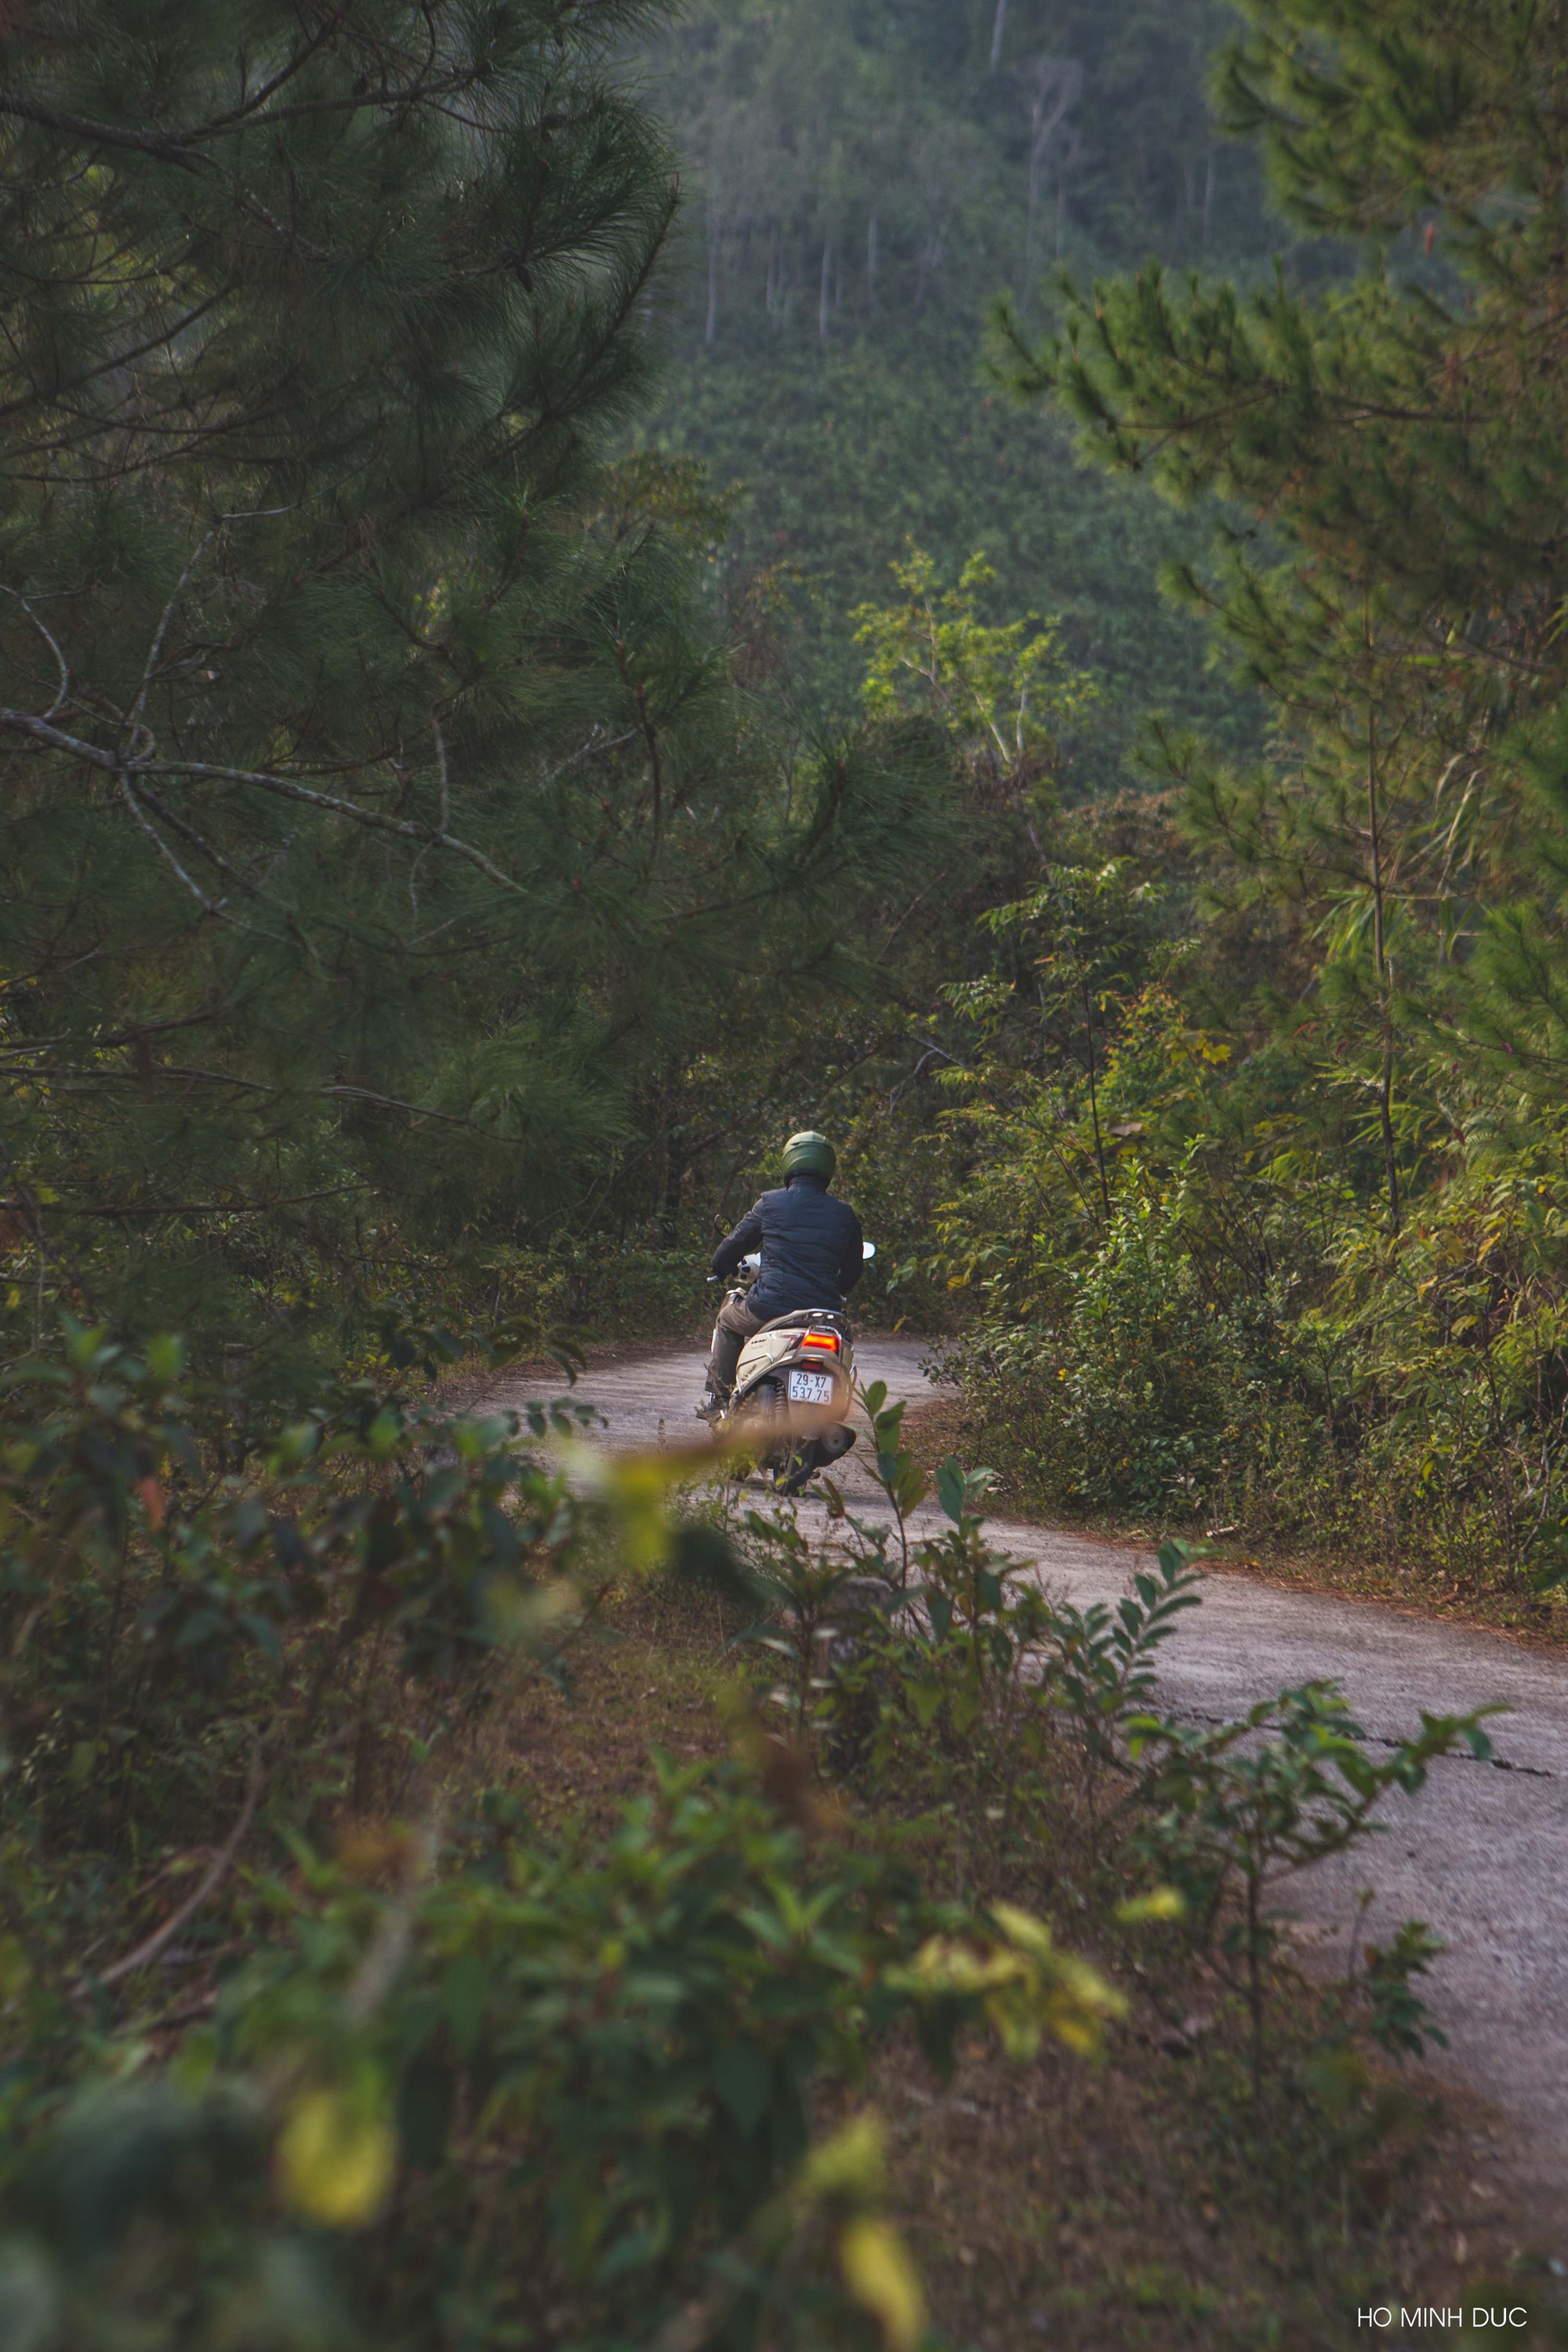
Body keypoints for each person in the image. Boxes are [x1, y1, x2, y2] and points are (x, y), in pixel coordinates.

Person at [700, 1131, 864, 1414]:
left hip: (768, 1308)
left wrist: (719, 1266)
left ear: (789, 1162)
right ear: (828, 1168)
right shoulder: (844, 1213)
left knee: (727, 1319)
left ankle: (720, 1398)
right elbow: (853, 1268)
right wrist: (840, 1288)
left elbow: (736, 1243)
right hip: (823, 1314)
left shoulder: (770, 1203)